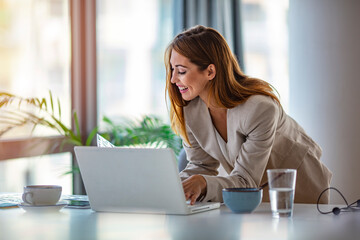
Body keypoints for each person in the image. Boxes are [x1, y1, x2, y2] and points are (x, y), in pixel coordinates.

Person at [164, 25, 332, 205]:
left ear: (210, 71)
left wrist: (203, 183)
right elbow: (202, 166)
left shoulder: (259, 109)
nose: (173, 79)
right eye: (172, 70)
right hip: (249, 190)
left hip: (296, 186)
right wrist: (168, 187)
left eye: (181, 71)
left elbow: (245, 181)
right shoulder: (190, 110)